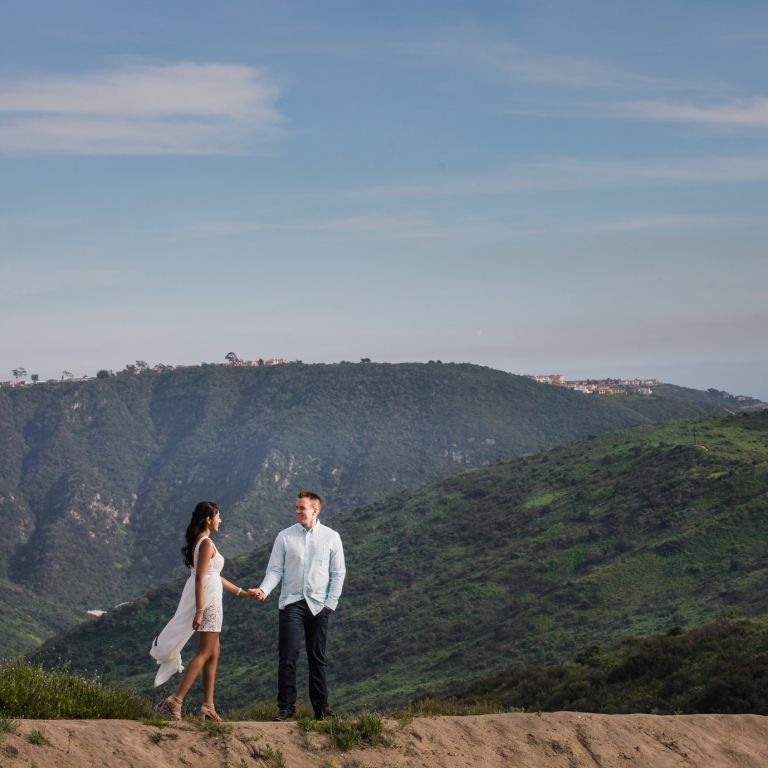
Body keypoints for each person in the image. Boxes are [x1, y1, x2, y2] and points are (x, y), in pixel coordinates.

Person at [150, 501, 254, 721]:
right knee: (205, 652)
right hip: (209, 602)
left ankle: (208, 706)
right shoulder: (206, 543)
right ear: (208, 518)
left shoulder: (202, 542)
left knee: (214, 652)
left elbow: (213, 575)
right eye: (218, 516)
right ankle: (176, 700)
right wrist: (200, 610)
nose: (220, 520)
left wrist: (241, 592)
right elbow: (200, 578)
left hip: (211, 597)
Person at [251, 491, 346, 721]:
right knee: (288, 656)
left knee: (317, 657)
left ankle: (321, 708)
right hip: (291, 603)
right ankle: (286, 708)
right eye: (296, 507)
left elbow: (338, 573)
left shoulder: (331, 537)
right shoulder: (284, 537)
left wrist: (330, 604)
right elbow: (275, 570)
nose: (297, 511)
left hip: (319, 605)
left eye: (301, 508)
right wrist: (264, 589)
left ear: (315, 510)